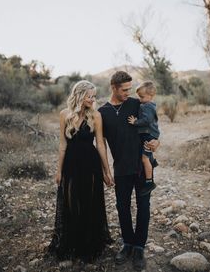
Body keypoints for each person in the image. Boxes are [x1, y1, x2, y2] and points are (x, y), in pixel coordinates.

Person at [98, 71, 160, 271]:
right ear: (114, 88)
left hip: (141, 166)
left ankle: (139, 247)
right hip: (121, 168)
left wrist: (157, 140)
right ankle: (128, 243)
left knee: (143, 206)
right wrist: (105, 170)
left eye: (130, 89)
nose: (128, 93)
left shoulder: (137, 104)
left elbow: (152, 122)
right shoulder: (102, 112)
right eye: (124, 90)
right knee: (122, 207)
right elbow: (101, 143)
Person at [47, 80, 114, 263]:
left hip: (90, 163)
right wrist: (58, 170)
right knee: (71, 201)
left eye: (94, 96)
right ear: (79, 95)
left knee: (89, 201)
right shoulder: (64, 115)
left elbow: (100, 144)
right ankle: (72, 242)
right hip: (70, 164)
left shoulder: (96, 116)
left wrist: (107, 171)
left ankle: (88, 244)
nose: (93, 100)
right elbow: (62, 145)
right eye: (89, 96)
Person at [128, 81, 160, 197]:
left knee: (144, 158)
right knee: (146, 155)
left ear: (150, 96)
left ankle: (149, 182)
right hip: (149, 134)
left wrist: (135, 122)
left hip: (148, 135)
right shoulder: (149, 105)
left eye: (142, 97)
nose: (139, 99)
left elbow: (147, 120)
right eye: (138, 96)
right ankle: (154, 162)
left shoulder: (147, 106)